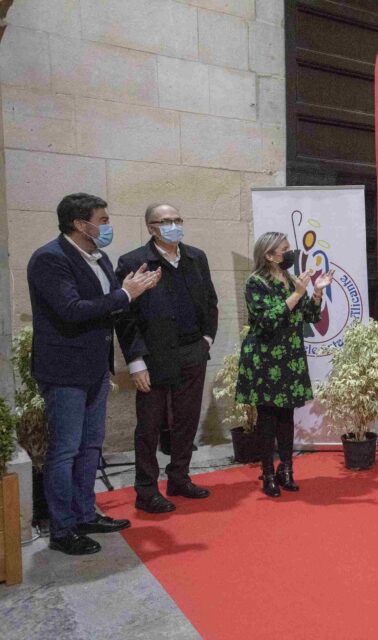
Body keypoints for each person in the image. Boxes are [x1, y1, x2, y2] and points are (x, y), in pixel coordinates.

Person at [27, 193, 159, 555]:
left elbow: (109, 307)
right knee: (65, 449)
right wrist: (125, 295)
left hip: (95, 368)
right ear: (79, 224)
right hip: (64, 370)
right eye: (102, 220)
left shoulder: (99, 259)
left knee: (90, 446)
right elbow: (72, 310)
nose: (106, 226)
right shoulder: (49, 259)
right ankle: (62, 527)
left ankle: (85, 513)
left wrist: (133, 292)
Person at [115, 204, 219, 514]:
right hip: (154, 356)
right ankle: (146, 490)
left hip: (192, 351)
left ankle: (179, 478)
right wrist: (135, 361)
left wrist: (206, 339)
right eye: (165, 221)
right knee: (149, 426)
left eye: (177, 219)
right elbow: (125, 316)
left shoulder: (196, 258)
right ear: (150, 227)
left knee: (186, 420)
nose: (173, 225)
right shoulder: (134, 261)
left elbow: (210, 302)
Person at [235, 232, 335, 497]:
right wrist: (297, 293)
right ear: (269, 255)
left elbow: (310, 316)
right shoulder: (255, 282)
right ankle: (268, 473)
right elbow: (268, 319)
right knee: (267, 417)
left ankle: (286, 469)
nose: (289, 253)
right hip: (265, 357)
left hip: (289, 356)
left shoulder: (292, 280)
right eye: (284, 249)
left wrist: (316, 292)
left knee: (286, 416)